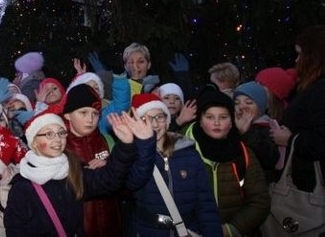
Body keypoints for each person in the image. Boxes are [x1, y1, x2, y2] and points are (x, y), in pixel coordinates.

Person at [4, 111, 156, 236]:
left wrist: (124, 144)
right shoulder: (22, 188)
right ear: (34, 142)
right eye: (49, 134)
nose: (57, 139)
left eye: (61, 133)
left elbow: (109, 180)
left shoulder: (72, 173)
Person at [129, 93, 222, 236]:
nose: (153, 124)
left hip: (188, 230)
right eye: (144, 119)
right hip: (149, 231)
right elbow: (131, 184)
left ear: (167, 121)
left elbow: (206, 203)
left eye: (159, 117)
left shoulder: (189, 154)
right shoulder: (132, 156)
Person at [184, 89, 270, 236]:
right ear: (200, 120)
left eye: (223, 117)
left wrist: (232, 229)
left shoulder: (242, 153)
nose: (216, 123)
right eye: (210, 117)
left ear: (231, 121)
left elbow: (259, 200)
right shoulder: (181, 149)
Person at [270, 25, 325, 192]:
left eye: (300, 54)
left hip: (312, 188)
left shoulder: (320, 90)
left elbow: (321, 141)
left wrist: (290, 139)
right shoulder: (313, 87)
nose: (296, 60)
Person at [62, 83, 123, 235]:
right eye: (83, 112)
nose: (90, 119)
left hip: (111, 226)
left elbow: (126, 186)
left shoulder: (106, 140)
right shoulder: (60, 145)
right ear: (68, 114)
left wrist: (110, 166)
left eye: (95, 113)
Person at [99, 42, 159, 137]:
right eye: (131, 62)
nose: (135, 66)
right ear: (125, 67)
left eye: (140, 61)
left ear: (149, 64)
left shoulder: (159, 89)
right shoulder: (115, 90)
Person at [233, 81, 280, 183]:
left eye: (248, 102)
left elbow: (270, 160)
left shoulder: (268, 129)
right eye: (237, 103)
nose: (242, 107)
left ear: (260, 108)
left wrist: (246, 133)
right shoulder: (232, 128)